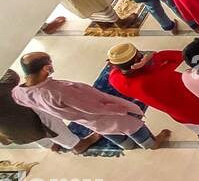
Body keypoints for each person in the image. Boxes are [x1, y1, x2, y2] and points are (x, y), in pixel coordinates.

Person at [12, 51, 164, 151]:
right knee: (134, 128)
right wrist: (122, 109)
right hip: (108, 116)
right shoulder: (58, 91)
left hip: (88, 121)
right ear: (46, 68)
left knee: (111, 133)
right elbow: (93, 107)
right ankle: (152, 144)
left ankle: (128, 146)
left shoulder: (19, 93)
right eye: (50, 63)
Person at [107, 42, 199, 140]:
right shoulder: (162, 74)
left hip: (177, 113)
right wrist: (155, 56)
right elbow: (188, 59)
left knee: (193, 124)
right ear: (138, 60)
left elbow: (117, 71)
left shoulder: (116, 79)